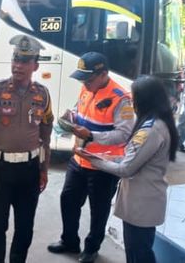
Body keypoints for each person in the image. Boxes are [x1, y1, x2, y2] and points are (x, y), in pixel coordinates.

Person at [76, 76, 178, 263]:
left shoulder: (150, 130)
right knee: (138, 251)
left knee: (138, 253)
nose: (132, 102)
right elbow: (133, 158)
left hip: (142, 203)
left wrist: (92, 160)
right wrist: (108, 157)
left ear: (145, 100)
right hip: (142, 200)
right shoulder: (156, 123)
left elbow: (126, 169)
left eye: (135, 97)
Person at [48, 52, 135, 263]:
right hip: (79, 160)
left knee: (99, 210)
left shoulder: (121, 99)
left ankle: (91, 248)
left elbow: (124, 134)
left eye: (88, 80)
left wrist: (92, 135)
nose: (84, 84)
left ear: (103, 73)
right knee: (68, 201)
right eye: (82, 80)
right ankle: (69, 240)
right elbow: (81, 112)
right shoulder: (86, 89)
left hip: (103, 166)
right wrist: (72, 117)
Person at [0, 35, 54, 263]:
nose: (17, 65)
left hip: (29, 171)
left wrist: (43, 169)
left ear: (35, 66)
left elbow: (45, 134)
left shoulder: (42, 94)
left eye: (24, 61)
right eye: (15, 59)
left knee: (25, 227)